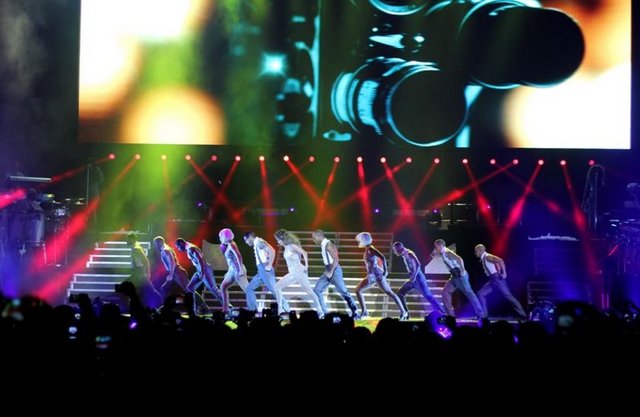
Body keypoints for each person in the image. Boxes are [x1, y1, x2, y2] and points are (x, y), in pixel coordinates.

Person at [354, 232, 407, 319]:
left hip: (377, 275)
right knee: (358, 290)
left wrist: (385, 271)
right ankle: (365, 312)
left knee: (390, 293)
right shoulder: (368, 249)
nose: (359, 242)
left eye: (360, 240)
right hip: (371, 276)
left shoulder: (371, 249)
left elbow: (382, 257)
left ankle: (403, 312)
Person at [274, 229, 323, 316]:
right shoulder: (286, 248)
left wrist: (306, 265)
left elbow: (304, 253)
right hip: (292, 274)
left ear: (282, 239)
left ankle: (320, 310)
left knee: (309, 291)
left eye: (278, 239)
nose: (278, 241)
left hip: (300, 273)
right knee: (277, 287)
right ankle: (280, 310)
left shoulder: (292, 246)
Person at [311, 230, 359, 318]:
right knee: (317, 290)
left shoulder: (328, 245)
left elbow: (336, 260)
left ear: (319, 236)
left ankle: (355, 312)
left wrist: (330, 272)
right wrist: (328, 271)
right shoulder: (323, 245)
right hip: (328, 270)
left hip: (334, 271)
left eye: (314, 238)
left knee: (343, 292)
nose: (313, 240)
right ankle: (326, 313)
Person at [433, 239, 486, 318]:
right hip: (454, 277)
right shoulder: (444, 253)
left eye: (436, 247)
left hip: (460, 277)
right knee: (445, 292)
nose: (435, 249)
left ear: (440, 245)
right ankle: (451, 316)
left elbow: (459, 259)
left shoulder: (447, 252)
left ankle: (481, 314)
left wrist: (462, 270)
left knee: (470, 294)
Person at [474, 244, 527, 320]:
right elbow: (496, 263)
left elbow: (500, 260)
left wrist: (504, 273)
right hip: (492, 280)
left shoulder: (487, 257)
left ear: (480, 251)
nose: (475, 253)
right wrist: (498, 270)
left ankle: (523, 315)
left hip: (497, 280)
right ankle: (484, 315)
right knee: (480, 293)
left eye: (476, 251)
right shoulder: (484, 258)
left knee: (508, 296)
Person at [392, 241, 445, 317]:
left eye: (394, 250)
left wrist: (413, 277)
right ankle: (405, 313)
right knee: (400, 293)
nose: (394, 252)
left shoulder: (409, 253)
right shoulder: (404, 254)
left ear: (398, 249)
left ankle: (442, 313)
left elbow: (418, 265)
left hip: (418, 278)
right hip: (413, 279)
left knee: (428, 296)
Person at [175, 237, 223, 312]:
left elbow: (200, 260)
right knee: (190, 288)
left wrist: (202, 272)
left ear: (181, 244)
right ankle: (201, 308)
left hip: (205, 270)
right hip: (200, 270)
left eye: (178, 247)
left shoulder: (191, 248)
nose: (178, 249)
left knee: (214, 289)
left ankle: (229, 307)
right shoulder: (189, 248)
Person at [243, 231, 283, 314]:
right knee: (249, 289)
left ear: (250, 238)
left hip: (265, 270)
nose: (246, 243)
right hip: (261, 271)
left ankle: (287, 309)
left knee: (274, 291)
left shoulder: (259, 242)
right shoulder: (257, 243)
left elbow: (272, 250)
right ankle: (253, 310)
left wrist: (269, 265)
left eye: (245, 240)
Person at [126, 232, 162, 308]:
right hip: (137, 272)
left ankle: (162, 303)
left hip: (140, 272)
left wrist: (148, 273)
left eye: (128, 239)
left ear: (132, 239)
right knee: (142, 289)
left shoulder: (137, 249)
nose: (126, 241)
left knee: (151, 289)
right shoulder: (134, 247)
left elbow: (146, 261)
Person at [218, 228, 249, 314]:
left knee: (247, 289)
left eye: (220, 236)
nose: (220, 238)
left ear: (224, 236)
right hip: (232, 270)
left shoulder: (231, 244)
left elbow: (239, 256)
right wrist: (229, 271)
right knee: (223, 287)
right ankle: (225, 309)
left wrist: (241, 269)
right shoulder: (226, 245)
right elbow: (231, 260)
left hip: (238, 270)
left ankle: (254, 308)